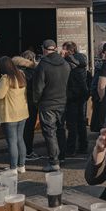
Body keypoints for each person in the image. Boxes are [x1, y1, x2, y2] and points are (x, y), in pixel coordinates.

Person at [33, 39, 71, 172]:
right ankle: (61, 157)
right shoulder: (65, 63)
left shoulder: (43, 65)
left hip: (47, 103)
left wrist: (36, 101)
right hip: (62, 102)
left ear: (44, 49)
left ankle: (54, 162)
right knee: (60, 129)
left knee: (50, 132)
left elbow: (38, 87)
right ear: (55, 48)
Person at [0, 56, 29, 173]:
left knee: (12, 141)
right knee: (20, 139)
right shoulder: (21, 75)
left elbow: (0, 95)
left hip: (10, 114)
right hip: (22, 113)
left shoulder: (5, 78)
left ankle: (13, 168)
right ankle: (22, 166)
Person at [62, 41, 90, 158]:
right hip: (82, 95)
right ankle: (83, 146)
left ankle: (71, 149)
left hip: (72, 96)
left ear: (69, 50)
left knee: (72, 124)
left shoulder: (68, 62)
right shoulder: (82, 60)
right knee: (81, 122)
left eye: (63, 49)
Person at [13, 51, 39, 159]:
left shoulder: (14, 70)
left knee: (18, 129)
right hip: (31, 102)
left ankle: (18, 151)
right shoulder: (35, 71)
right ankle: (28, 151)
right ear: (32, 59)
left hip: (17, 103)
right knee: (29, 128)